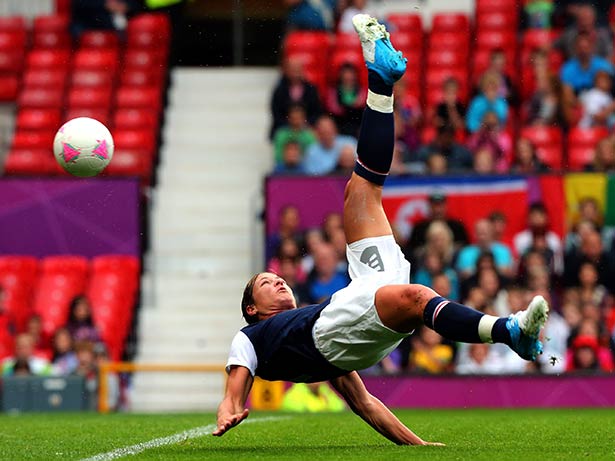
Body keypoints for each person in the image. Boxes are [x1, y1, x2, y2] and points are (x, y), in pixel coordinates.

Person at [214, 15, 549, 445]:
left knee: (361, 190)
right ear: (251, 310)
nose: (277, 280)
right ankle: (511, 333)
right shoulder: (252, 337)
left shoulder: (312, 339)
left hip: (355, 300)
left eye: (275, 277)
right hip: (339, 322)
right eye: (265, 283)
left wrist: (417, 446)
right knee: (416, 297)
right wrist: (229, 405)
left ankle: (381, 80)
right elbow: (238, 376)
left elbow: (366, 404)